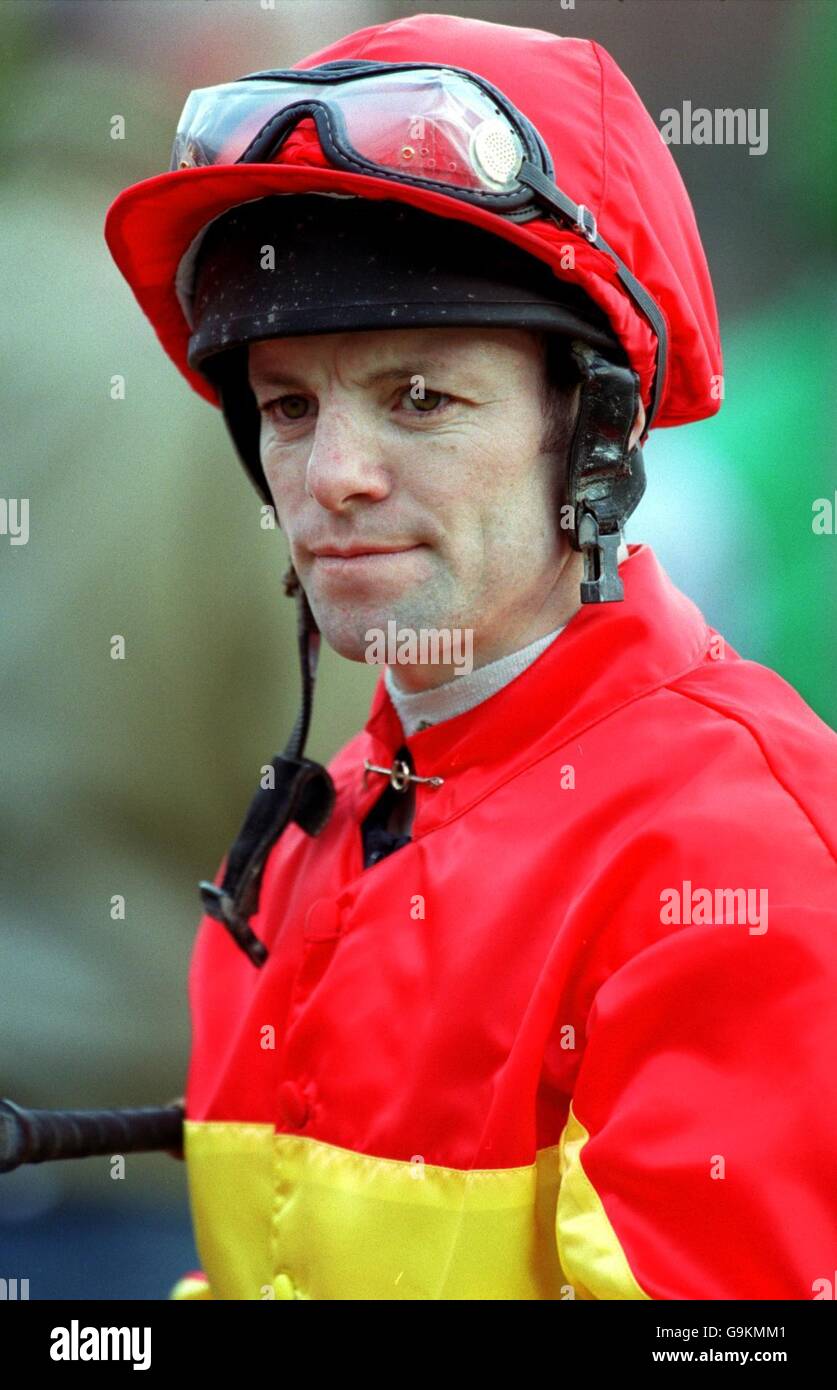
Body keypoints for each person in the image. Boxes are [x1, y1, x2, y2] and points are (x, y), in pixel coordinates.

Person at [105, 13, 837, 1301]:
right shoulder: (301, 842)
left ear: (596, 435)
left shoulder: (735, 852)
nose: (332, 477)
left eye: (419, 399)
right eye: (288, 406)